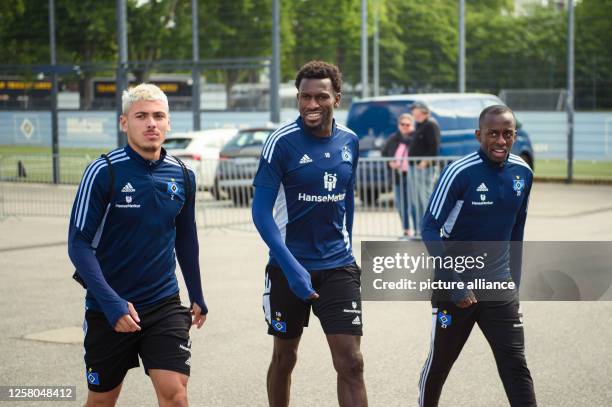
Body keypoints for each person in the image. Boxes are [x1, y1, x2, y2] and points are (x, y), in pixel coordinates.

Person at [68, 83, 207, 407]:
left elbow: (186, 237)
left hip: (164, 305)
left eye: (159, 116)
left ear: (169, 122)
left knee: (175, 394)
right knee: (102, 400)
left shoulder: (183, 175)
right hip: (109, 306)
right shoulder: (104, 172)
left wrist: (197, 293)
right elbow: (78, 244)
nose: (151, 124)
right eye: (141, 116)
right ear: (124, 122)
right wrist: (112, 303)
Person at [251, 61, 367, 407]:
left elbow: (347, 199)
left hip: (337, 267)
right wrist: (291, 267)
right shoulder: (281, 143)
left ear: (337, 98)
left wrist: (345, 246)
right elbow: (260, 212)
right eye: (304, 97)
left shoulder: (350, 141)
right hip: (288, 268)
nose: (311, 105)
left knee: (352, 363)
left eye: (320, 96)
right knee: (285, 358)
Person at [417, 105, 536, 406]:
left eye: (507, 134)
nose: (500, 141)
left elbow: (517, 233)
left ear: (514, 136)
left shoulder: (523, 173)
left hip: (499, 286)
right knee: (440, 365)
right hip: (456, 287)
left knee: (515, 366)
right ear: (478, 135)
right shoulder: (459, 173)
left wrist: (515, 285)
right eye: (493, 134)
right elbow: (429, 228)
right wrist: (454, 282)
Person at [382, 113, 417, 239]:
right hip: (398, 176)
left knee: (413, 204)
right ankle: (406, 230)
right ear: (399, 125)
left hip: (412, 175)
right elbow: (384, 152)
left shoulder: (416, 137)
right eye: (403, 124)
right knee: (401, 205)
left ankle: (418, 231)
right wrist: (390, 162)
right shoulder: (393, 138)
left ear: (412, 125)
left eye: (408, 124)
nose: (405, 127)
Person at [409, 101, 440, 233]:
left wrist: (425, 161)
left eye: (415, 110)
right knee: (417, 200)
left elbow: (434, 146)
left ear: (423, 111)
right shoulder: (419, 125)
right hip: (414, 167)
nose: (413, 113)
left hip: (424, 168)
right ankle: (420, 229)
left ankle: (431, 229)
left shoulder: (430, 125)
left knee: (425, 198)